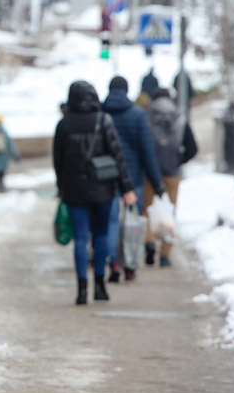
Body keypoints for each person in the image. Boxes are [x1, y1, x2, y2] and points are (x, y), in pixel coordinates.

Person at [52, 80, 137, 306]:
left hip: (74, 189)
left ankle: (81, 290)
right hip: (103, 188)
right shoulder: (103, 120)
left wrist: (62, 187)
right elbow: (118, 156)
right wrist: (127, 188)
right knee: (100, 235)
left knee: (80, 238)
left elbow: (57, 161)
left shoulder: (64, 125)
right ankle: (100, 286)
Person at [102, 75, 166, 282]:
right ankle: (130, 264)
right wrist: (156, 182)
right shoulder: (138, 115)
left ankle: (113, 260)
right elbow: (148, 152)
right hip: (133, 178)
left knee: (110, 222)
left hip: (106, 177)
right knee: (132, 222)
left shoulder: (101, 114)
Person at [143, 88, 198, 267]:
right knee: (169, 213)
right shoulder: (179, 119)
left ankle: (149, 241)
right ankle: (165, 255)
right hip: (172, 174)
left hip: (150, 173)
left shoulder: (146, 117)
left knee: (146, 210)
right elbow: (192, 148)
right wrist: (178, 161)